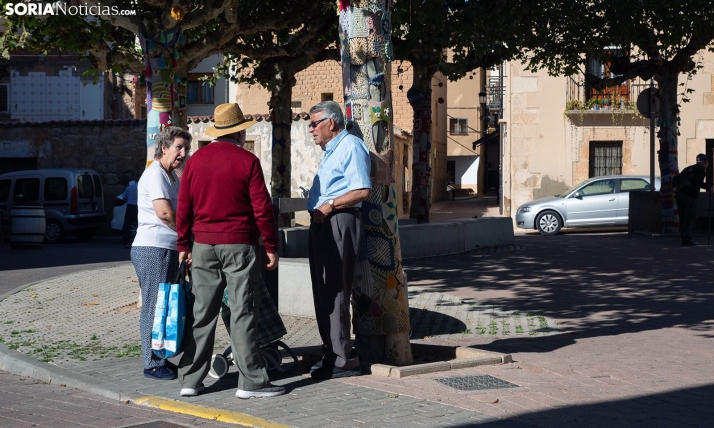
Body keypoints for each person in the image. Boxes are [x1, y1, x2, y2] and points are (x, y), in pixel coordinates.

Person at [176, 103, 284, 399]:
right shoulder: (247, 160)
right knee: (243, 312)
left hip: (202, 246)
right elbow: (262, 208)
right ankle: (251, 382)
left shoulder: (195, 162)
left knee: (203, 312)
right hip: (239, 245)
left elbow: (183, 208)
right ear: (239, 131)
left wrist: (183, 245)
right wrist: (271, 246)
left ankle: (190, 380)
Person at [306, 101, 371, 380]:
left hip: (338, 220)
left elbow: (362, 189)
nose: (310, 129)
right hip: (324, 221)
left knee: (336, 289)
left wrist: (330, 205)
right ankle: (332, 352)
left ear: (331, 123)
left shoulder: (350, 146)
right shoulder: (332, 150)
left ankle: (345, 358)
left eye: (314, 123)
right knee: (324, 290)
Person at [130, 126, 192, 380]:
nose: (183, 153)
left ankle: (161, 358)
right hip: (152, 247)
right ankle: (152, 363)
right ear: (164, 148)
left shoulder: (172, 176)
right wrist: (189, 238)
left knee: (164, 306)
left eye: (186, 148)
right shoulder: (155, 174)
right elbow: (165, 214)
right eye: (179, 147)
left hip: (166, 247)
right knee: (154, 307)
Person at [674, 153, 712, 246]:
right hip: (690, 195)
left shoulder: (689, 168)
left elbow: (676, 177)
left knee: (684, 217)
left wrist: (674, 187)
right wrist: (709, 187)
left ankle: (684, 238)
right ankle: (688, 238)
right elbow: (697, 181)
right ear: (705, 162)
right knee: (691, 216)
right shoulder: (701, 169)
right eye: (708, 163)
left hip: (680, 194)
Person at [118, 175, 140, 248]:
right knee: (139, 225)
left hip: (130, 207)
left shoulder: (129, 187)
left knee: (127, 225)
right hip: (139, 208)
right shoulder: (143, 188)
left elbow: (124, 197)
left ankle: (127, 242)